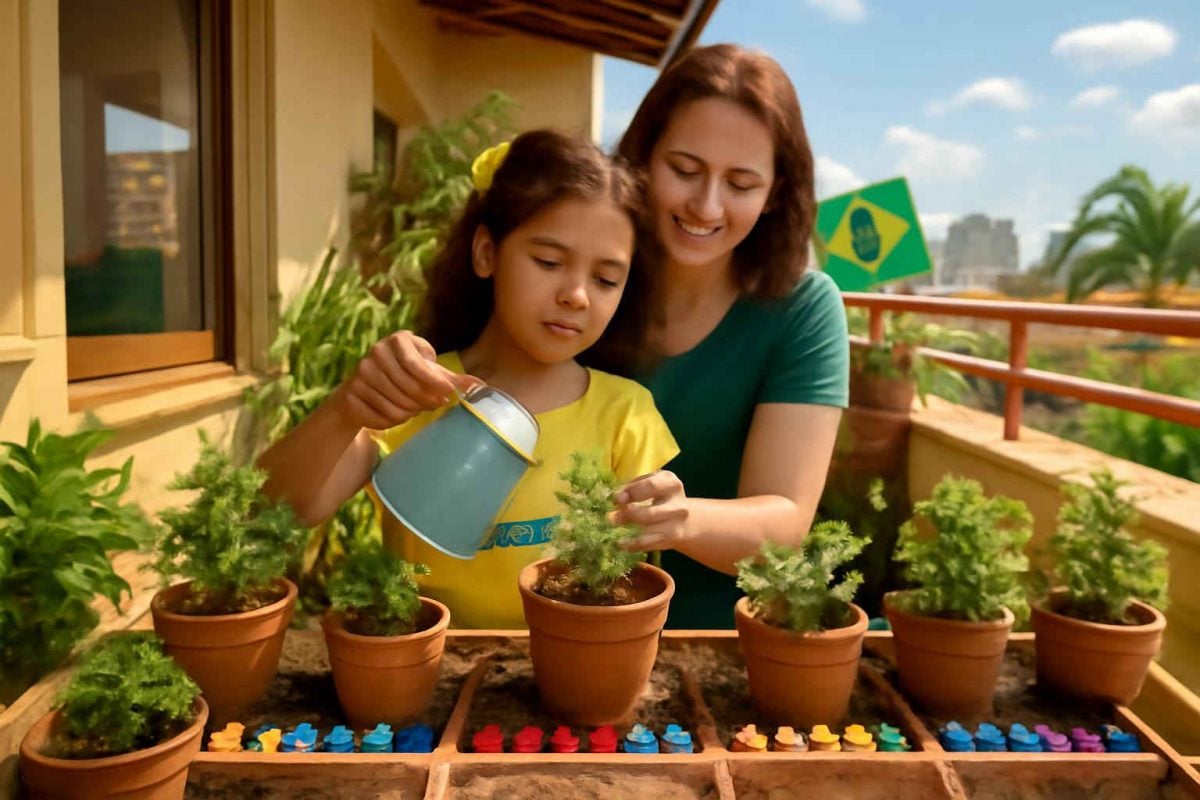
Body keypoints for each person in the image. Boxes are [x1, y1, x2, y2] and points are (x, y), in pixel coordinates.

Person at [258, 130, 678, 628]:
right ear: (485, 253)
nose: (577, 295)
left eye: (606, 279)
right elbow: (276, 509)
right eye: (548, 261)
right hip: (422, 670)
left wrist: (663, 515)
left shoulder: (624, 413)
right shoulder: (417, 388)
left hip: (567, 672)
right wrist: (346, 409)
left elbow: (631, 582)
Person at [610, 44, 850, 629]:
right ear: (641, 158)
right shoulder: (586, 275)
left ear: (775, 194)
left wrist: (679, 519)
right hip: (549, 618)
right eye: (684, 170)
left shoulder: (804, 308)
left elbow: (784, 521)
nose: (706, 204)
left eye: (741, 183)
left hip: (722, 638)